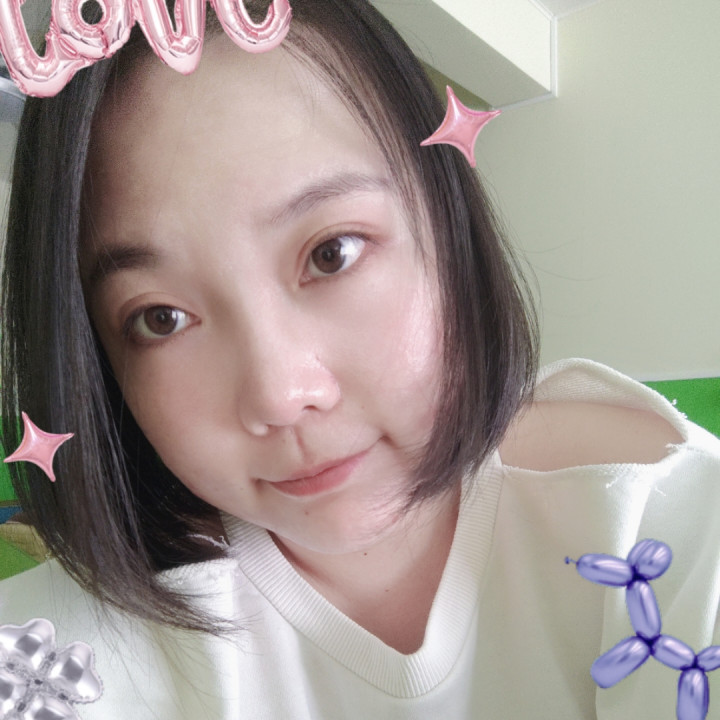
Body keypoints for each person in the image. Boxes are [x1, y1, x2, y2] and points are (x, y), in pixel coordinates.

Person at [1, 1, 719, 717]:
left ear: (446, 223)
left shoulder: (662, 526)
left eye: (332, 253)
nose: (281, 394)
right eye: (161, 318)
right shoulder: (50, 662)